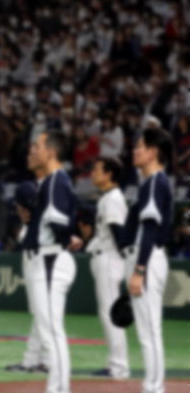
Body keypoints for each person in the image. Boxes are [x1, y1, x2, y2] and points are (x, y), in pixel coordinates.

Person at [21, 130, 81, 393]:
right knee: (50, 332)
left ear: (51, 152)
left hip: (51, 260)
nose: (32, 150)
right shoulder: (53, 181)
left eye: (38, 146)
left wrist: (68, 236)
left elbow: (59, 224)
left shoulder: (56, 180)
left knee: (52, 333)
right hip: (49, 258)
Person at [117, 128, 174, 393]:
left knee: (150, 331)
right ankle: (150, 389)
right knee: (147, 331)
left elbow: (150, 228)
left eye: (140, 146)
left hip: (148, 259)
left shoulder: (154, 182)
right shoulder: (152, 182)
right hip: (146, 258)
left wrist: (139, 269)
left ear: (153, 152)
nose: (135, 150)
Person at [87, 157, 130, 379]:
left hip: (110, 259)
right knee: (107, 313)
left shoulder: (112, 199)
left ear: (109, 174)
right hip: (107, 258)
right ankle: (116, 364)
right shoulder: (109, 198)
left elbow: (119, 234)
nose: (93, 173)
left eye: (97, 169)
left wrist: (126, 259)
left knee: (111, 314)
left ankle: (119, 366)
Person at [6, 180, 50, 374]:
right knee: (38, 314)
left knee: (44, 313)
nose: (17, 210)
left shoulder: (39, 222)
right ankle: (31, 359)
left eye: (19, 206)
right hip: (33, 262)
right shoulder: (30, 225)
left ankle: (47, 360)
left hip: (41, 263)